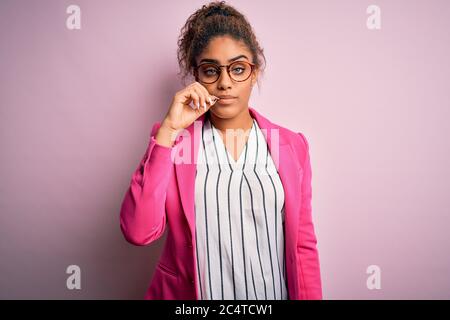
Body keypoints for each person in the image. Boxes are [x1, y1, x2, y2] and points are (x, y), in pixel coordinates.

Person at [119, 0, 322, 300]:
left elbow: (302, 245)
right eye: (211, 70)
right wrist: (169, 131)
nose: (225, 83)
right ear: (197, 76)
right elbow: (138, 231)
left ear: (254, 72)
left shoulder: (292, 146)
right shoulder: (173, 142)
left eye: (238, 68)